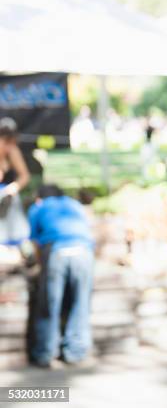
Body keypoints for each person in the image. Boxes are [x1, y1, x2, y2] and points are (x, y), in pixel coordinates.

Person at [28, 184, 95, 368]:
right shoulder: (74, 204)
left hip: (57, 250)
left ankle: (46, 353)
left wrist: (41, 266)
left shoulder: (39, 207)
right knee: (81, 302)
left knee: (49, 303)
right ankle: (76, 352)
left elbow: (35, 241)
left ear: (39, 197)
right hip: (84, 252)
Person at [0, 117, 31, 246]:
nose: (8, 146)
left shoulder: (13, 151)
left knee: (16, 233)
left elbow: (24, 176)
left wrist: (14, 187)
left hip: (8, 198)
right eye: (6, 142)